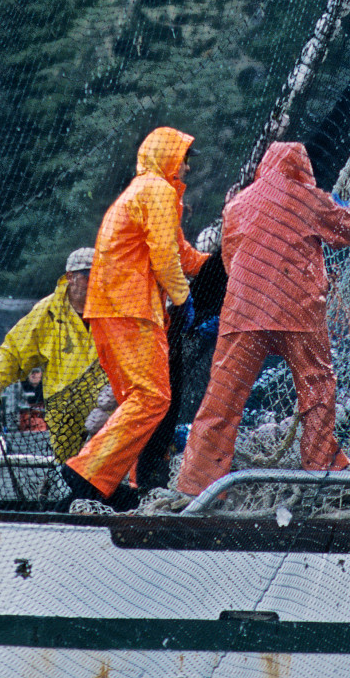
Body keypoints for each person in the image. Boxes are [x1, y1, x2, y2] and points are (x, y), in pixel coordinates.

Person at [177, 141, 350, 498]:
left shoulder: (237, 204)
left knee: (222, 401)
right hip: (299, 313)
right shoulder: (308, 197)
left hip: (244, 314)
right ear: (302, 167)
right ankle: (321, 468)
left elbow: (230, 260)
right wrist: (339, 205)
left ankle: (198, 484)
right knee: (317, 389)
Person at [62, 127, 209, 508]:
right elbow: (164, 257)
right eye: (184, 159)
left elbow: (184, 255)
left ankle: (113, 483)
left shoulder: (147, 193)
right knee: (153, 397)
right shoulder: (155, 191)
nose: (188, 168)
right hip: (130, 310)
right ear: (168, 159)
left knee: (135, 400)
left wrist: (222, 265)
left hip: (109, 310)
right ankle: (86, 472)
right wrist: (183, 296)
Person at [0, 248, 104, 462]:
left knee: (107, 473)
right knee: (71, 473)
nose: (95, 280)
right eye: (88, 275)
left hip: (107, 410)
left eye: (101, 274)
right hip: (65, 418)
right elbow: (13, 352)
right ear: (70, 277)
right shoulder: (47, 312)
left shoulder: (115, 308)